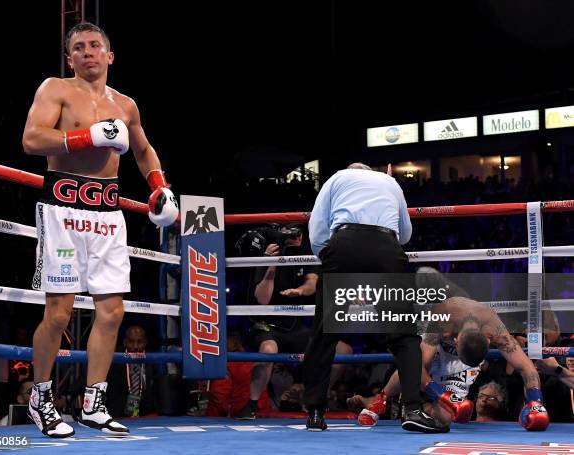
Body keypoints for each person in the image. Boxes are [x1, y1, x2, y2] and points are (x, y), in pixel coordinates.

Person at [22, 22, 178, 438]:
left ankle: (94, 403)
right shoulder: (55, 89)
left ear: (109, 56)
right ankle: (40, 398)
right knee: (58, 314)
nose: (87, 52)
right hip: (64, 212)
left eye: (94, 46)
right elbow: (32, 139)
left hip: (107, 215)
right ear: (69, 57)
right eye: (78, 47)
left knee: (112, 311)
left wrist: (159, 187)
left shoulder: (126, 105)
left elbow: (143, 151)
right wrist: (84, 136)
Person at [303, 162, 446, 433]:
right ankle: (413, 409)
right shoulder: (389, 183)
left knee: (324, 334)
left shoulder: (337, 177)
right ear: (371, 172)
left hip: (343, 243)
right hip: (385, 248)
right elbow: (405, 235)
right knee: (404, 335)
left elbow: (317, 228)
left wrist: (331, 257)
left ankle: (315, 413)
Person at [357, 295, 550, 431]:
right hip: (438, 350)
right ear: (455, 340)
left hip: (467, 355)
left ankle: (426, 411)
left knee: (446, 418)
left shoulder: (495, 328)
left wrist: (535, 401)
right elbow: (419, 367)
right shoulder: (443, 318)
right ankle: (381, 399)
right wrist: (442, 394)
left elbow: (527, 368)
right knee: (413, 362)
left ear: (489, 340)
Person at [235, 225, 352, 419]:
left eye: (299, 234)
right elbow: (262, 299)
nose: (297, 238)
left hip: (293, 327)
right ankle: (252, 404)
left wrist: (300, 291)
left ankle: (313, 396)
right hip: (266, 327)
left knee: (343, 350)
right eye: (291, 233)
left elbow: (311, 284)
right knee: (269, 349)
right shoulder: (264, 254)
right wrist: (271, 264)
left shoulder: (305, 256)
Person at [106, 325, 159, 418]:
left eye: (139, 342)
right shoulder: (114, 358)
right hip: (118, 414)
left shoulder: (154, 359)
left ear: (145, 342)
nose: (135, 346)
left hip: (147, 414)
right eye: (131, 342)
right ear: (125, 342)